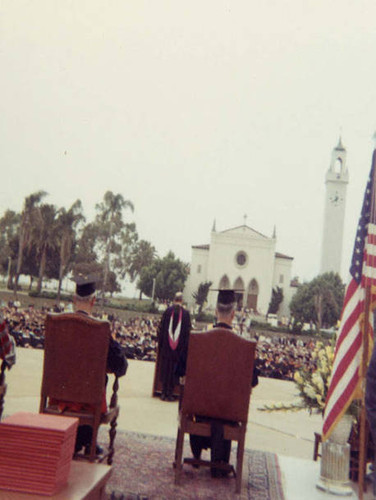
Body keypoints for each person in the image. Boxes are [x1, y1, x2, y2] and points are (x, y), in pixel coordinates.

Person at [51, 273, 128, 455]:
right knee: (97, 384)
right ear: (93, 301)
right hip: (88, 403)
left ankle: (72, 440)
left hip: (58, 398)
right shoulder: (100, 329)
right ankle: (86, 439)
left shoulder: (56, 325)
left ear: (73, 299)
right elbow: (120, 367)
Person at [189, 289, 258, 478]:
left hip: (200, 413)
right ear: (234, 314)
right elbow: (253, 381)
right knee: (224, 408)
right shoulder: (244, 346)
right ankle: (220, 461)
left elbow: (182, 371)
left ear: (215, 312)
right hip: (229, 414)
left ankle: (196, 450)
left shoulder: (198, 340)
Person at [157, 292, 191, 401]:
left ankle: (163, 392)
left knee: (166, 368)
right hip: (179, 349)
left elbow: (161, 329)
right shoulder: (185, 314)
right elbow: (188, 333)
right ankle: (171, 393)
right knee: (173, 370)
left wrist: (161, 345)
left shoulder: (167, 311)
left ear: (174, 299)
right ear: (181, 300)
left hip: (166, 347)